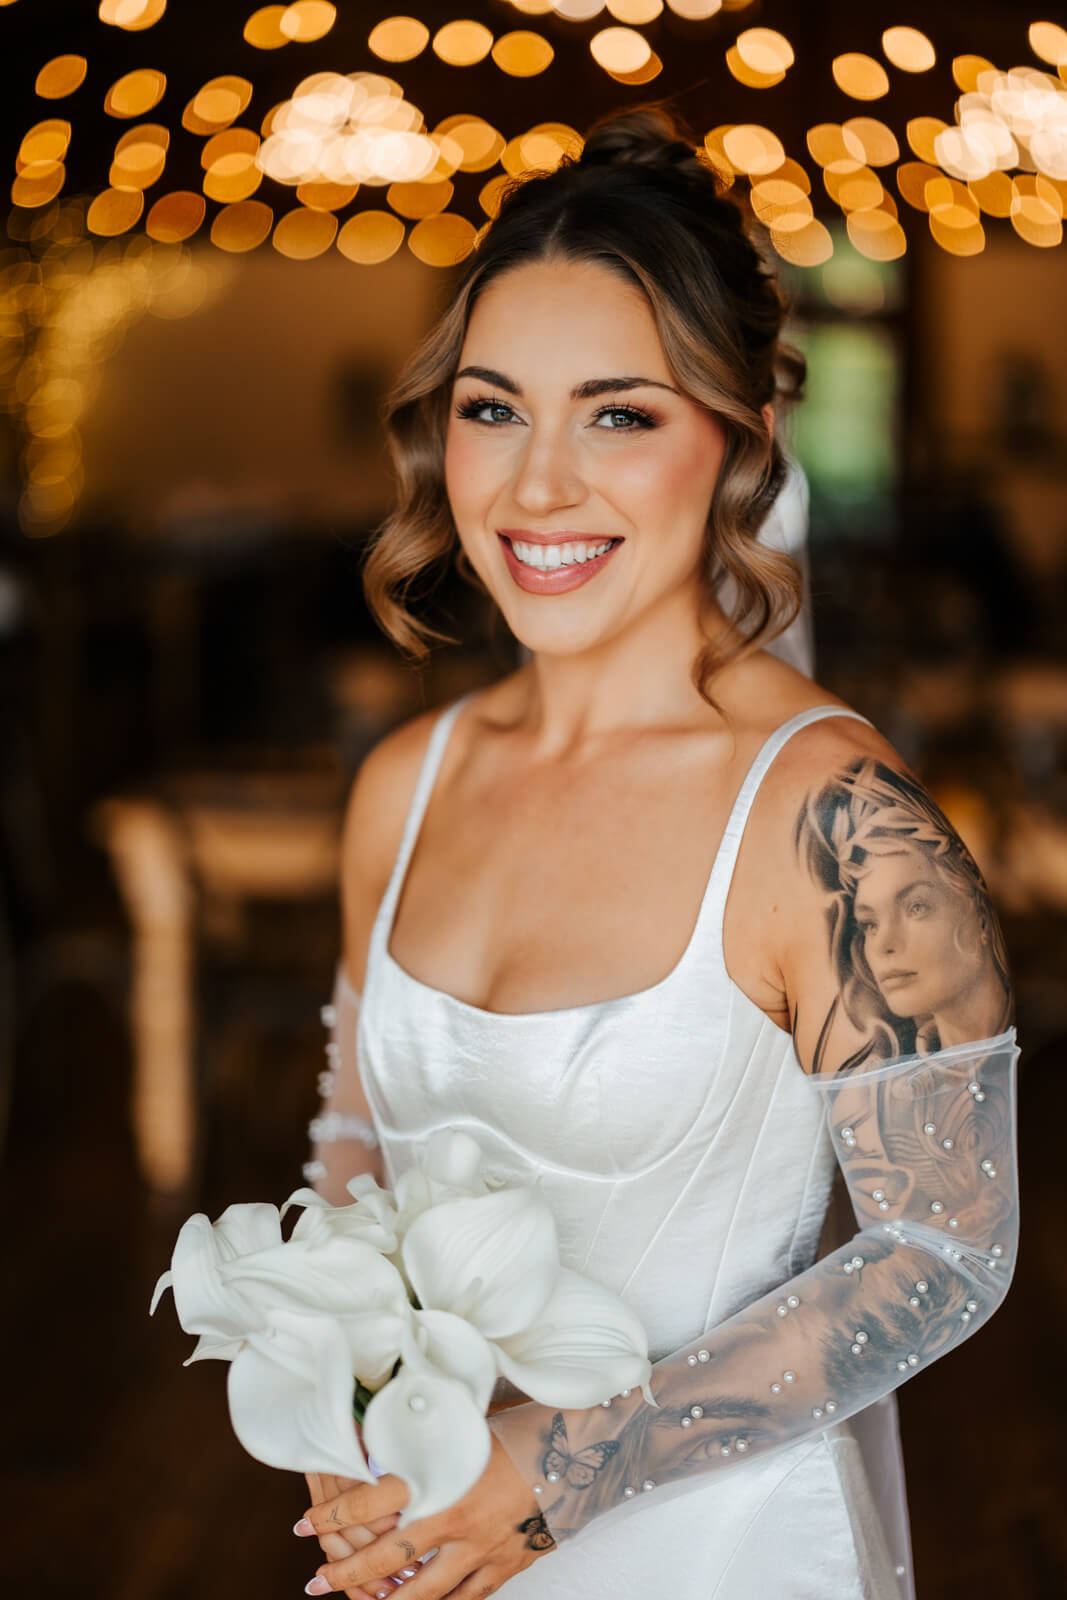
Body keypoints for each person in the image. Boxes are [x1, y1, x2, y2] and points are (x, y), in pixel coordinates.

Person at [293, 103, 1019, 1600]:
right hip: (430, 1547)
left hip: (724, 1555)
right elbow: (361, 1136)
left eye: (619, 413)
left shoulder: (834, 818)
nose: (537, 485)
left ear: (743, 439)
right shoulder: (406, 786)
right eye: (494, 409)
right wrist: (333, 1384)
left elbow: (946, 1253)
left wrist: (556, 1478)